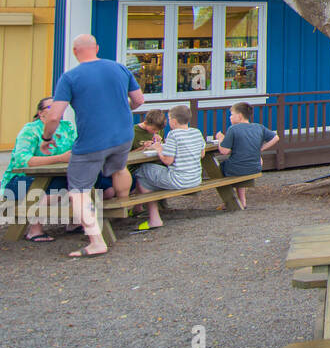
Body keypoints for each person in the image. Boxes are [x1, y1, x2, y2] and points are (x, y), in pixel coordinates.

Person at [45, 33, 144, 258]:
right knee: (119, 169)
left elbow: (53, 117)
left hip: (92, 141)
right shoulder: (120, 68)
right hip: (122, 135)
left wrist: (46, 139)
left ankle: (96, 241)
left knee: (78, 191)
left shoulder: (70, 77)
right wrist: (119, 111)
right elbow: (139, 100)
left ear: (74, 51)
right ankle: (123, 210)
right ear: (97, 47)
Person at [2, 98, 75, 242]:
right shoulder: (30, 130)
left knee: (87, 186)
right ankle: (34, 230)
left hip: (55, 177)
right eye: (52, 106)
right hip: (20, 180)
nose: (57, 109)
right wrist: (60, 158)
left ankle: (75, 223)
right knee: (56, 193)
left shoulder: (67, 127)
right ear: (41, 114)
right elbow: (23, 160)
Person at [130, 104, 205, 231]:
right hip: (196, 179)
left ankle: (154, 218)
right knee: (150, 173)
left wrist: (159, 149)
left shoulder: (174, 135)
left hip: (179, 180)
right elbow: (202, 154)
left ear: (174, 121)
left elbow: (168, 161)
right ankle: (140, 208)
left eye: (169, 118)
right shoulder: (196, 132)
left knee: (142, 171)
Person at [214, 102, 278, 210]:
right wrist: (260, 149)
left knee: (217, 169)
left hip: (237, 168)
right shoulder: (258, 127)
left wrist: (220, 138)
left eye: (232, 114)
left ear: (239, 116)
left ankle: (230, 200)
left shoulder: (233, 129)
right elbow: (276, 138)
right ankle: (242, 200)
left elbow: (224, 151)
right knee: (239, 163)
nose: (230, 117)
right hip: (255, 167)